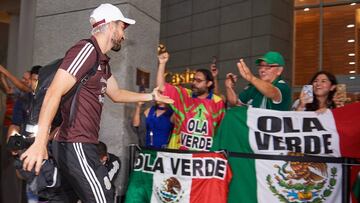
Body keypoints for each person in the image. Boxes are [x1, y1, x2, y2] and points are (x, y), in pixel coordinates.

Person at [19, 3, 172, 203]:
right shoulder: (86, 50)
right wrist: (40, 142)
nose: (123, 35)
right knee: (104, 198)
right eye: (122, 27)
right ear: (110, 26)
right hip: (75, 142)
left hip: (80, 143)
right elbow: (54, 93)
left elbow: (116, 94)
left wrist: (151, 96)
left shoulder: (101, 62)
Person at [156, 52, 225, 151]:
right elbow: (161, 87)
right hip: (179, 154)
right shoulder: (184, 95)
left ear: (209, 83)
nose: (194, 83)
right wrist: (162, 64)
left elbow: (222, 129)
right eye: (193, 80)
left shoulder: (218, 102)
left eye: (199, 81)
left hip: (205, 158)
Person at [225, 51, 291, 110]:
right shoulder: (254, 86)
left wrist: (251, 78)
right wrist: (229, 87)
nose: (262, 70)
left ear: (279, 70)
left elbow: (272, 92)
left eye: (268, 67)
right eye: (261, 66)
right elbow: (235, 103)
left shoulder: (283, 87)